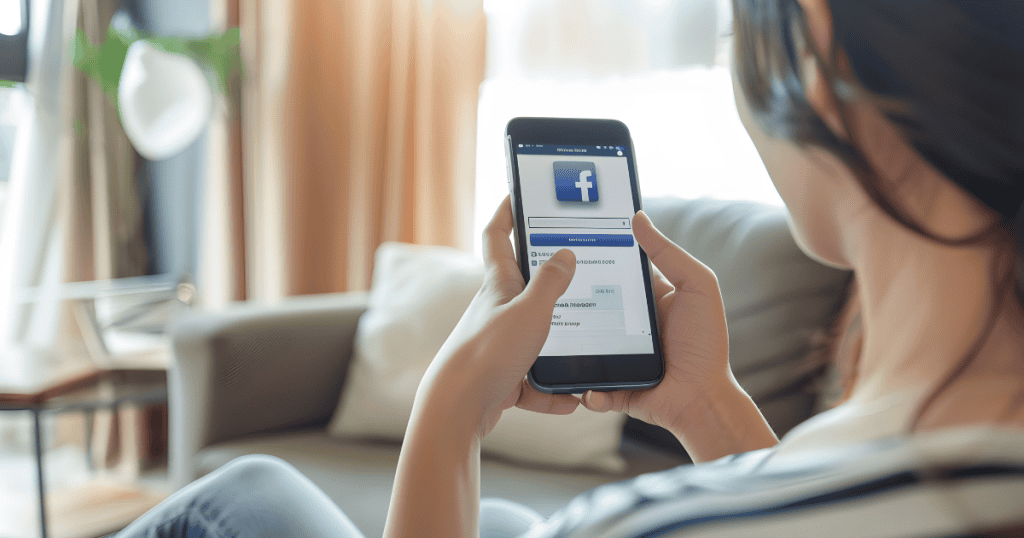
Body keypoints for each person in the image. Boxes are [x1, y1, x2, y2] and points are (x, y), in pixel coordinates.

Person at [115, 0, 1024, 536]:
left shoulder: (633, 524)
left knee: (245, 495)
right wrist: (707, 407)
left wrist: (450, 406)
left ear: (813, 49)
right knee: (504, 524)